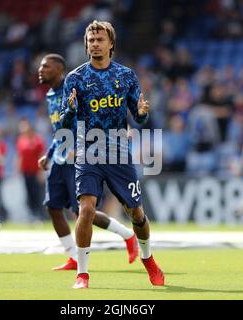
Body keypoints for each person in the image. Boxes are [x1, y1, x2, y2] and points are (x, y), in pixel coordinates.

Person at [60, 21, 165, 289]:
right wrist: (71, 111)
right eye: (90, 39)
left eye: (99, 39)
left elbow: (139, 117)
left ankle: (148, 259)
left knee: (137, 214)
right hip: (88, 152)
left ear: (111, 44)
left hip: (119, 152)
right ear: (86, 44)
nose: (94, 43)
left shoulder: (127, 76)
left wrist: (142, 112)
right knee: (86, 209)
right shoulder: (74, 78)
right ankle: (82, 274)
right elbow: (63, 123)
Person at [37, 53, 139, 271]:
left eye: (46, 66)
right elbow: (60, 130)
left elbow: (94, 115)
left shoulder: (75, 87)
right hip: (60, 158)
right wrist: (50, 152)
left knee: (84, 212)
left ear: (59, 69)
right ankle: (73, 256)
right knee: (53, 207)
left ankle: (128, 235)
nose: (40, 69)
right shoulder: (50, 95)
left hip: (79, 156)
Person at [16, 118, 46, 221]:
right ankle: (32, 215)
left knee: (37, 194)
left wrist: (41, 171)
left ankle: (40, 215)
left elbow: (42, 155)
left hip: (36, 171)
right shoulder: (21, 139)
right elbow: (20, 155)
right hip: (26, 171)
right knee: (28, 194)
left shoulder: (38, 139)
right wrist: (17, 169)